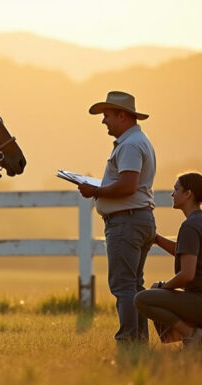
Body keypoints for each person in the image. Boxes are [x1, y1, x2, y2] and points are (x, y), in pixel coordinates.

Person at [79, 91, 156, 344]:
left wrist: (95, 191)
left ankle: (128, 340)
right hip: (139, 219)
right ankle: (139, 340)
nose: (104, 121)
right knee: (134, 285)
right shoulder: (138, 141)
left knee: (123, 285)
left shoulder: (130, 145)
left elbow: (127, 186)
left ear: (122, 115)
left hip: (126, 222)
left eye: (107, 115)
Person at [134, 172, 202, 347]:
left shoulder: (191, 225)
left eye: (176, 189)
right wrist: (156, 239)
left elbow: (187, 275)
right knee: (155, 290)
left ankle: (194, 335)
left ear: (188, 194)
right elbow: (185, 252)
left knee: (142, 299)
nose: (172, 194)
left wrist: (164, 288)